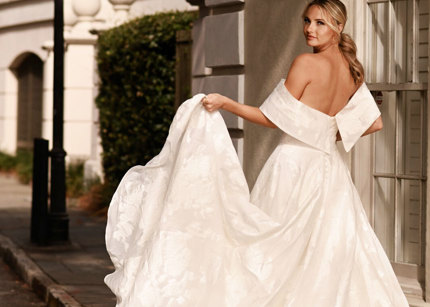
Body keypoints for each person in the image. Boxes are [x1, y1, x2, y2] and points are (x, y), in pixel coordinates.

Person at [104, 0, 410, 306]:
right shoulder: (351, 69)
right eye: (307, 21)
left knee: (267, 250)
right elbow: (375, 122)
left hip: (292, 167)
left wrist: (226, 103)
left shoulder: (305, 63)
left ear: (338, 27)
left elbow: (270, 118)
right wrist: (327, 133)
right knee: (327, 252)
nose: (309, 29)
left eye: (320, 23)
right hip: (331, 170)